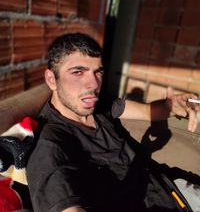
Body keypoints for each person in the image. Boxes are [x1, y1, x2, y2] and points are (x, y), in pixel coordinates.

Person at [27, 33, 199, 212]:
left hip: (173, 190)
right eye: (78, 72)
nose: (93, 84)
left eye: (98, 72)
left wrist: (169, 106)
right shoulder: (49, 142)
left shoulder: (100, 106)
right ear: (51, 80)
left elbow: (149, 111)